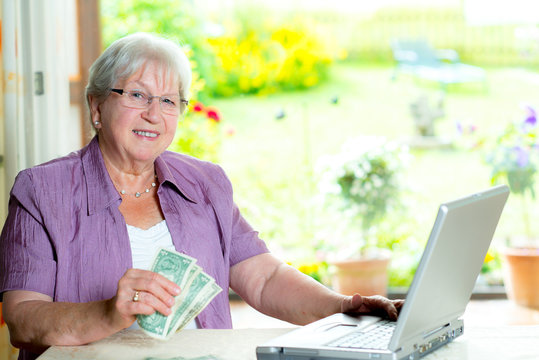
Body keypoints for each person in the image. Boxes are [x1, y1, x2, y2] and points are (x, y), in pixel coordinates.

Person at [0, 33, 403, 360]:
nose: (154, 114)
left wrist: (343, 306)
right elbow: (22, 320)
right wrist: (109, 312)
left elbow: (264, 279)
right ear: (97, 106)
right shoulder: (41, 192)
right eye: (137, 95)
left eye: (169, 100)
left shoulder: (206, 183)